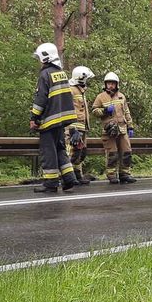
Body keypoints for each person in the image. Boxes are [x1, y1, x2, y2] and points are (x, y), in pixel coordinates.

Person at [29, 42, 78, 193]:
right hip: (62, 120)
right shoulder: (61, 73)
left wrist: (34, 117)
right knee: (60, 149)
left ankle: (50, 183)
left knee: (48, 151)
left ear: (45, 57)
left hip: (49, 120)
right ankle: (69, 178)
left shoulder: (45, 74)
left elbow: (41, 99)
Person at [92, 71, 137, 184]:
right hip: (109, 130)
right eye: (108, 83)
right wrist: (105, 111)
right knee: (112, 153)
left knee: (126, 151)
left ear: (117, 84)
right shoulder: (101, 97)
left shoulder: (121, 96)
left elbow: (126, 111)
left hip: (122, 129)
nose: (110, 85)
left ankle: (125, 174)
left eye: (113, 83)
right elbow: (94, 111)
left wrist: (130, 126)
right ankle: (111, 174)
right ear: (105, 84)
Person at [67, 65, 95, 185]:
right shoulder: (71, 90)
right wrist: (72, 128)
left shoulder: (81, 91)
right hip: (73, 128)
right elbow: (68, 110)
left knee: (80, 153)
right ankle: (66, 177)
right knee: (71, 152)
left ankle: (78, 175)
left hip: (82, 127)